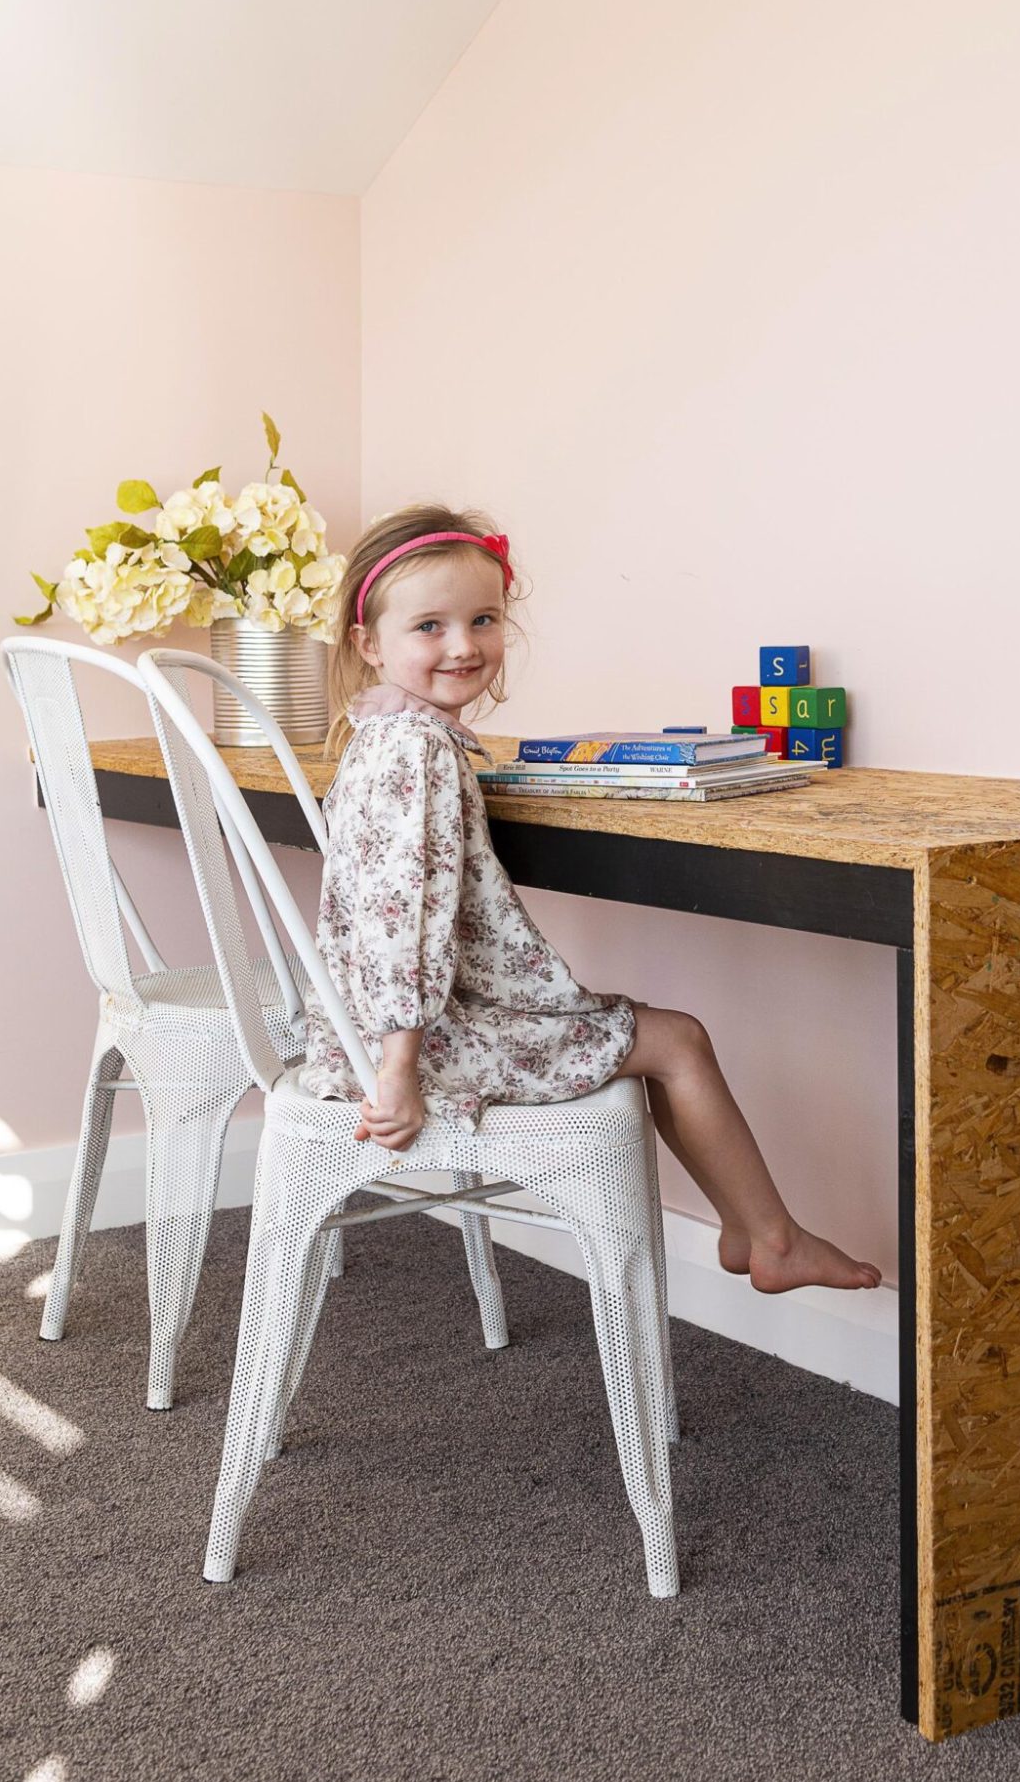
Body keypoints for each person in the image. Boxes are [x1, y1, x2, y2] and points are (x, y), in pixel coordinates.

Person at [300, 501, 881, 1297]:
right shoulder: (419, 754)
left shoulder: (385, 736)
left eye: (482, 619)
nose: (464, 646)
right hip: (408, 1049)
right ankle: (773, 1238)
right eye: (429, 627)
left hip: (365, 1030)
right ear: (368, 643)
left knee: (656, 1036)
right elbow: (407, 926)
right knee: (676, 1043)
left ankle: (756, 1232)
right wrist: (397, 1070)